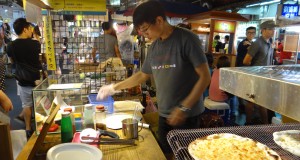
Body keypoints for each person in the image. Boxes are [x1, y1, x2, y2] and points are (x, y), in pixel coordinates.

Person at [97, 1, 210, 158]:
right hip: (165, 114)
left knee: (187, 156)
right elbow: (143, 75)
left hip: (188, 115)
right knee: (165, 154)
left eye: (145, 29)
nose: (143, 34)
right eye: (140, 31)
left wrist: (184, 108)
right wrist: (114, 87)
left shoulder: (187, 39)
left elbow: (205, 77)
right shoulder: (154, 47)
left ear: (159, 20)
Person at [7, 18, 43, 137]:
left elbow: (12, 61)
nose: (31, 31)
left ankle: (28, 128)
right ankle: (40, 126)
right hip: (36, 78)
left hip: (22, 79)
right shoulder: (35, 44)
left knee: (26, 105)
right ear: (24, 29)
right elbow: (39, 59)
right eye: (29, 29)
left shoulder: (11, 46)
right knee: (39, 103)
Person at [243, 20, 277, 125]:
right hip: (256, 76)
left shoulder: (270, 42)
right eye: (270, 29)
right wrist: (255, 70)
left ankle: (265, 124)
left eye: (273, 29)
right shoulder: (257, 43)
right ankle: (248, 124)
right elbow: (246, 61)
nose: (273, 31)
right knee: (251, 101)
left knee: (262, 101)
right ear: (263, 30)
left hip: (265, 77)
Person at [235, 26, 256, 113]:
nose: (251, 34)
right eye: (249, 33)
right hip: (242, 68)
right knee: (243, 87)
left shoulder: (250, 43)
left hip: (245, 69)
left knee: (243, 87)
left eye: (253, 33)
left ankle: (243, 105)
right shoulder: (244, 43)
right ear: (246, 34)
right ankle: (242, 105)